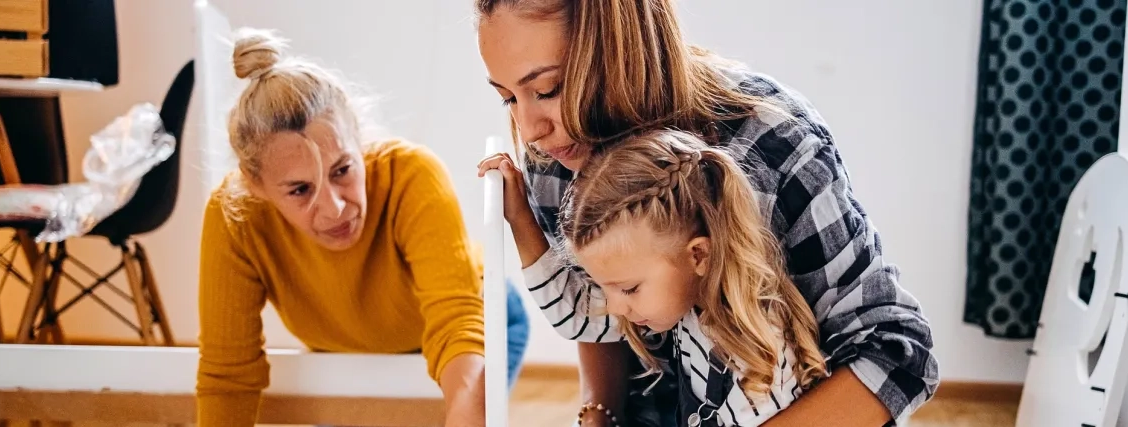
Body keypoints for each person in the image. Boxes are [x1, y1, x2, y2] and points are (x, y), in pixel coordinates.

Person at [473, 1, 939, 426]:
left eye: (549, 88)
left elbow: (898, 355)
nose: (529, 130)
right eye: (507, 97)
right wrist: (600, 413)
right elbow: (594, 308)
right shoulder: (555, 153)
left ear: (623, 48)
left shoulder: (772, 142)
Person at [196, 28, 528, 427]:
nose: (334, 208)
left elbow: (456, 321)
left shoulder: (411, 175)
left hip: (472, 329)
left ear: (358, 140)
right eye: (300, 190)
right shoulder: (235, 216)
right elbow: (228, 373)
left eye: (342, 170)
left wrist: (467, 413)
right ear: (256, 186)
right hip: (346, 347)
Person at [560, 129, 828, 426]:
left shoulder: (759, 356)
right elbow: (572, 315)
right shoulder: (691, 309)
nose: (613, 307)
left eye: (628, 288)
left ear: (698, 255)